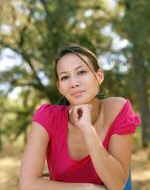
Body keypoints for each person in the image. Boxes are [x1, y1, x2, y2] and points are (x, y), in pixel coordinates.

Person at [19, 45, 141, 190]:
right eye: (65, 77)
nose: (74, 83)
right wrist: (88, 189)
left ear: (99, 76)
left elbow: (117, 184)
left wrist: (88, 130)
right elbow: (27, 184)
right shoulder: (47, 117)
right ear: (60, 87)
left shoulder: (117, 110)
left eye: (81, 72)